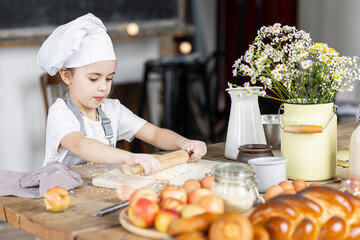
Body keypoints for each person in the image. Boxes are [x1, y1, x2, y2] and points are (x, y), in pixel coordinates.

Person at [37, 13, 207, 176]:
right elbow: (80, 144)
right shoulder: (60, 113)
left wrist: (184, 143)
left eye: (109, 78)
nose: (103, 87)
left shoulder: (113, 110)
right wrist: (129, 157)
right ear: (67, 76)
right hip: (63, 195)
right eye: (94, 79)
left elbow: (155, 134)